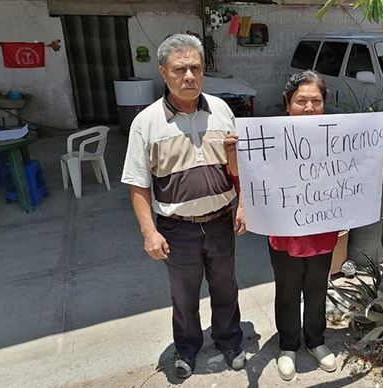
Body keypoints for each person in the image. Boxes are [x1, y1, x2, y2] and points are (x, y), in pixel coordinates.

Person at [225, 70, 383, 381]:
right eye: (301, 101)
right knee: (287, 291)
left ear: (324, 104)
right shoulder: (270, 137)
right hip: (284, 235)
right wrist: (233, 155)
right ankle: (288, 346)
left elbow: (361, 167)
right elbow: (242, 176)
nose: (308, 107)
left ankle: (316, 341)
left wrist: (379, 149)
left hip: (322, 230)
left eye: (315, 101)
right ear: (287, 104)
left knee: (318, 289)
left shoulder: (337, 137)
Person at [121, 33, 247, 380]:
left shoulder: (221, 110)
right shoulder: (146, 123)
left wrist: (243, 205)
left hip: (221, 221)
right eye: (180, 69)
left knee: (226, 286)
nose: (189, 75)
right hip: (177, 228)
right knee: (184, 294)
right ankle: (187, 348)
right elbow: (137, 183)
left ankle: (229, 340)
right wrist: (149, 233)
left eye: (195, 67)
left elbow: (237, 167)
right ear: (164, 72)